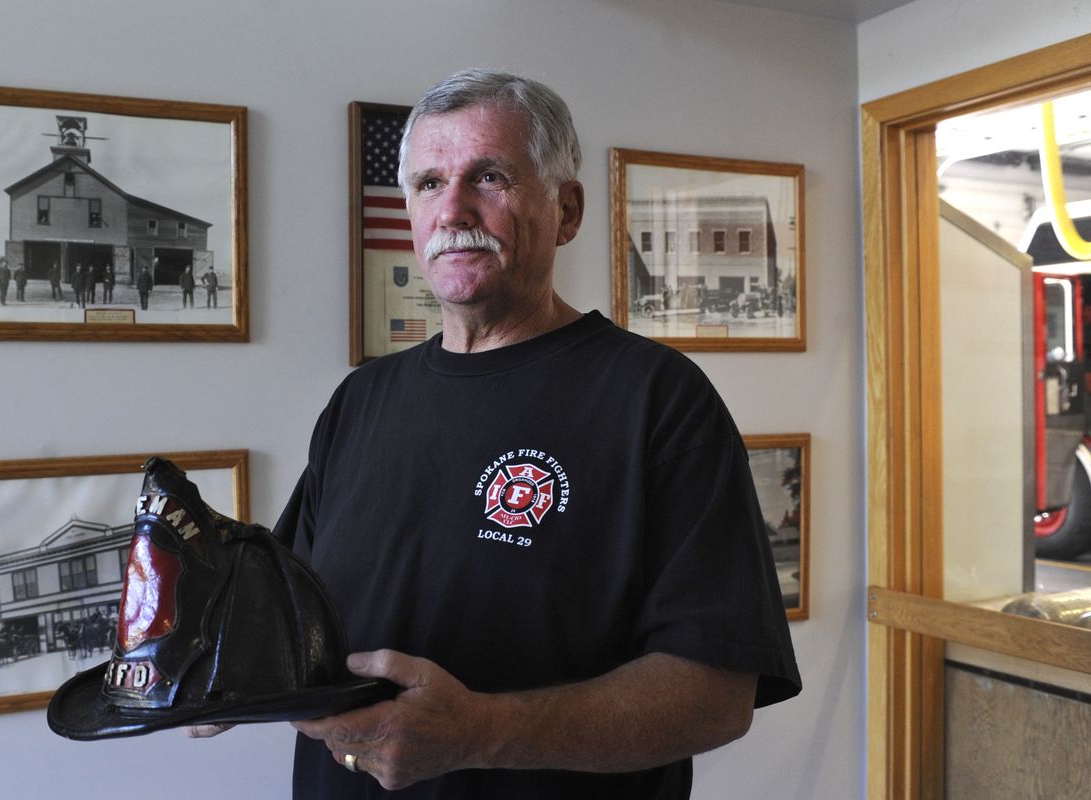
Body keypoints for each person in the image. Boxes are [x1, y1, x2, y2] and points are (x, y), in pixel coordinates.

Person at [190, 69, 800, 799]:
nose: (452, 210)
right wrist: (201, 668)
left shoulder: (658, 400)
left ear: (567, 210)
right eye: (427, 184)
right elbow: (283, 621)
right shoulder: (361, 401)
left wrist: (479, 733)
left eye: (490, 177)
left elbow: (716, 693)